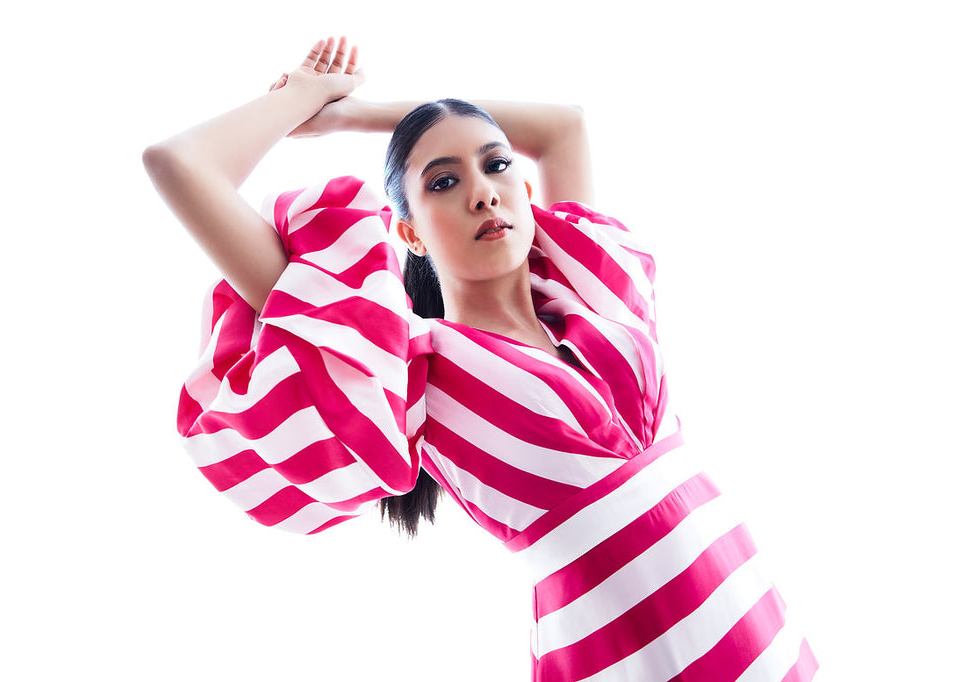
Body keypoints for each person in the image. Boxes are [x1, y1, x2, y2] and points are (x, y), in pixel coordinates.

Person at [144, 36, 817, 682]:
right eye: (443, 182)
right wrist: (305, 97)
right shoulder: (404, 365)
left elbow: (564, 126)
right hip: (619, 656)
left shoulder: (591, 286)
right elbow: (178, 163)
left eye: (497, 166)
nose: (484, 192)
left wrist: (362, 115)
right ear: (408, 232)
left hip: (761, 628)